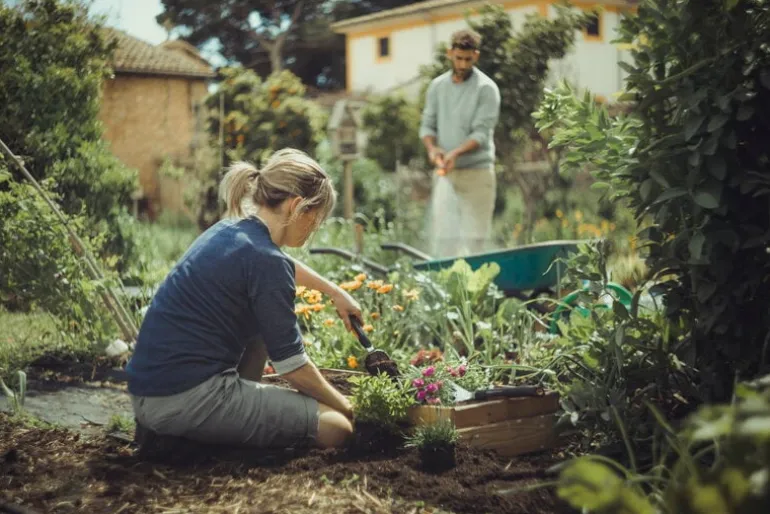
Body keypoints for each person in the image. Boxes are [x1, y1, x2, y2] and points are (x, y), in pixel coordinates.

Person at [126, 148, 362, 452]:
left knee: (263, 324)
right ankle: (195, 438)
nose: (313, 230)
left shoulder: (230, 230)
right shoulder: (266, 261)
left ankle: (199, 430)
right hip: (186, 400)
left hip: (149, 394)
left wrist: (334, 291)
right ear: (297, 207)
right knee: (337, 428)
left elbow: (278, 265)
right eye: (315, 220)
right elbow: (293, 368)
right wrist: (348, 407)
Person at [419, 28, 501, 257]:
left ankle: (474, 291)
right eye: (459, 58)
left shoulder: (486, 89)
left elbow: (481, 134)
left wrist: (454, 154)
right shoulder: (437, 86)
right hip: (446, 173)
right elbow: (427, 125)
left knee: (475, 240)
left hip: (478, 173)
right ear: (450, 54)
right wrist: (433, 149)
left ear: (475, 56)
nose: (463, 64)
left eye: (468, 59)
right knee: (444, 240)